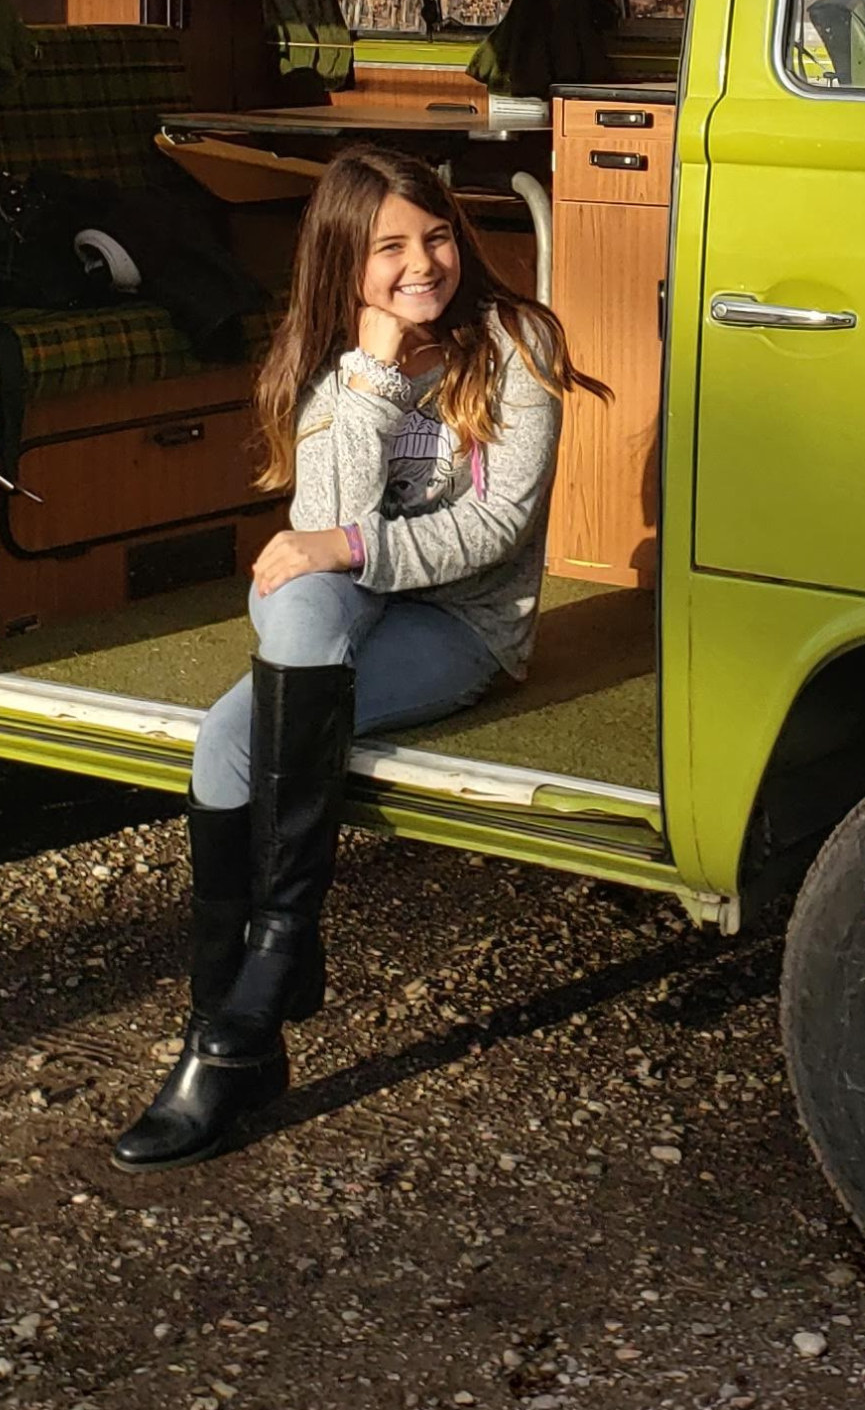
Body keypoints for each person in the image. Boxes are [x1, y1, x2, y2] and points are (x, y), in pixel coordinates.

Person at [113, 143, 602, 1169]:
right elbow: (323, 524)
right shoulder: (334, 356)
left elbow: (492, 532)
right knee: (239, 711)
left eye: (434, 237)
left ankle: (234, 1030)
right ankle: (248, 1004)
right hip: (346, 617)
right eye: (388, 247)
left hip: (459, 623)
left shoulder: (516, 341)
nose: (422, 264)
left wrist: (345, 548)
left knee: (234, 745)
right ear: (344, 259)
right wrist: (374, 370)